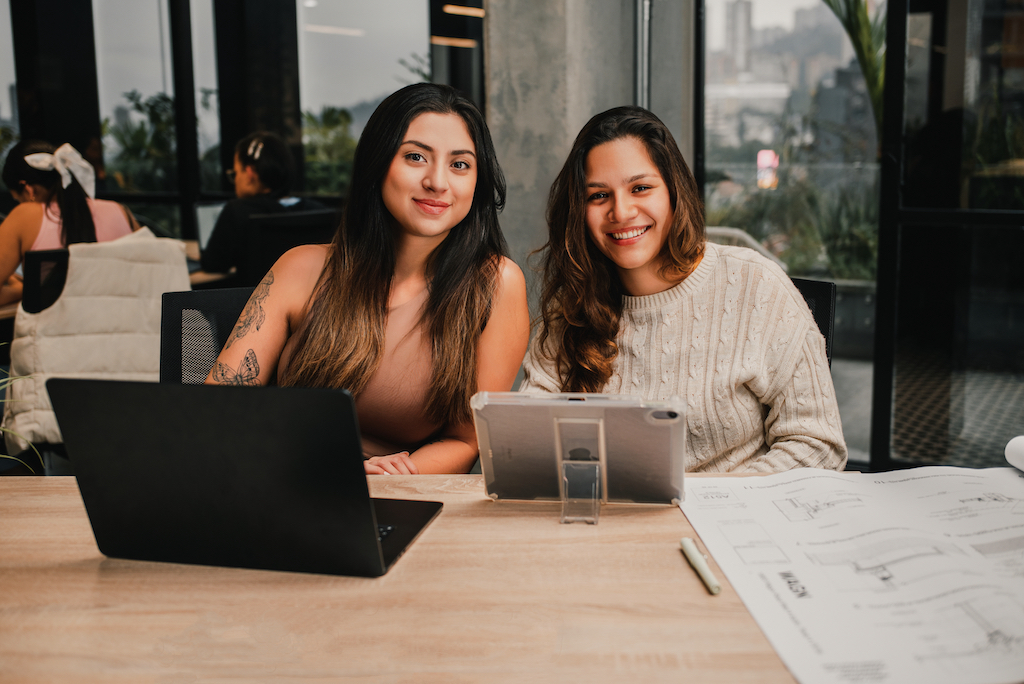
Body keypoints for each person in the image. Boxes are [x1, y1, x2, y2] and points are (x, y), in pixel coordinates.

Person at [206, 83, 530, 476]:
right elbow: (218, 410)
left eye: (459, 164)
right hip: (278, 478)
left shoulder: (495, 286)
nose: (438, 182)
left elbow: (466, 442)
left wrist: (382, 477)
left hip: (397, 493)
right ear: (378, 163)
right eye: (415, 157)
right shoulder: (301, 268)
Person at [522, 106, 847, 473]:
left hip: (729, 523)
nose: (622, 211)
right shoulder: (573, 306)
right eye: (598, 196)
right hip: (612, 521)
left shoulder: (757, 285)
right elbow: (528, 438)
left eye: (640, 188)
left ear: (675, 192)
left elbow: (817, 445)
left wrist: (710, 502)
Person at [0, 140, 139, 306]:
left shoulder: (25, 215)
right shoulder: (120, 211)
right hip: (126, 326)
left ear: (29, 190)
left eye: (18, 199)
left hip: (56, 329)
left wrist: (26, 289)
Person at [200, 131, 326, 276]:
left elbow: (212, 264)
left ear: (249, 173)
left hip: (257, 298)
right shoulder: (317, 210)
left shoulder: (237, 211)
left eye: (235, 173)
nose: (235, 181)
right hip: (310, 298)